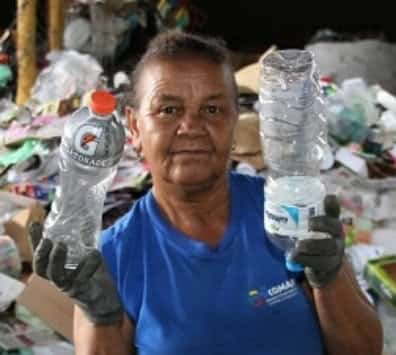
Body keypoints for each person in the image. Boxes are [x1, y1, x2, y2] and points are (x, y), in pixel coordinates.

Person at [30, 31, 383, 355]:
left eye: (212, 109)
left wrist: (329, 276)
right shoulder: (112, 258)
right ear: (135, 127)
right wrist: (102, 318)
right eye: (169, 110)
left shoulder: (288, 213)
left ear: (234, 120)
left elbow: (364, 350)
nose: (191, 127)